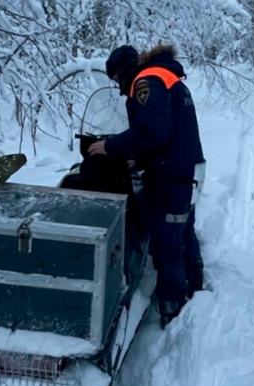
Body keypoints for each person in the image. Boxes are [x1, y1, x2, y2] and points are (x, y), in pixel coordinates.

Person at [87, 44, 205, 328]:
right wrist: (138, 160)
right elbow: (167, 129)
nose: (118, 88)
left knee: (167, 241)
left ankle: (172, 308)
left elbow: (153, 129)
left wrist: (111, 146)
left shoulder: (147, 81)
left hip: (172, 175)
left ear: (123, 72)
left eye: (116, 80)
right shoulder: (164, 76)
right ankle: (195, 283)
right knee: (182, 226)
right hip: (185, 168)